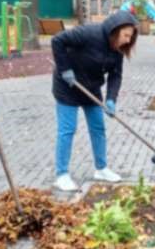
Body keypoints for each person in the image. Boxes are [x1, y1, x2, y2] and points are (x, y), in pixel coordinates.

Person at [51, 10, 139, 192]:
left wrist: (111, 99)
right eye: (126, 35)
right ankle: (62, 175)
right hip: (67, 86)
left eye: (131, 37)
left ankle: (101, 169)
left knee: (98, 128)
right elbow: (57, 40)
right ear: (116, 30)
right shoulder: (89, 33)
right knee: (67, 130)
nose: (128, 41)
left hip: (90, 89)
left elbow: (116, 76)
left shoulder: (117, 50)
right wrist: (65, 69)